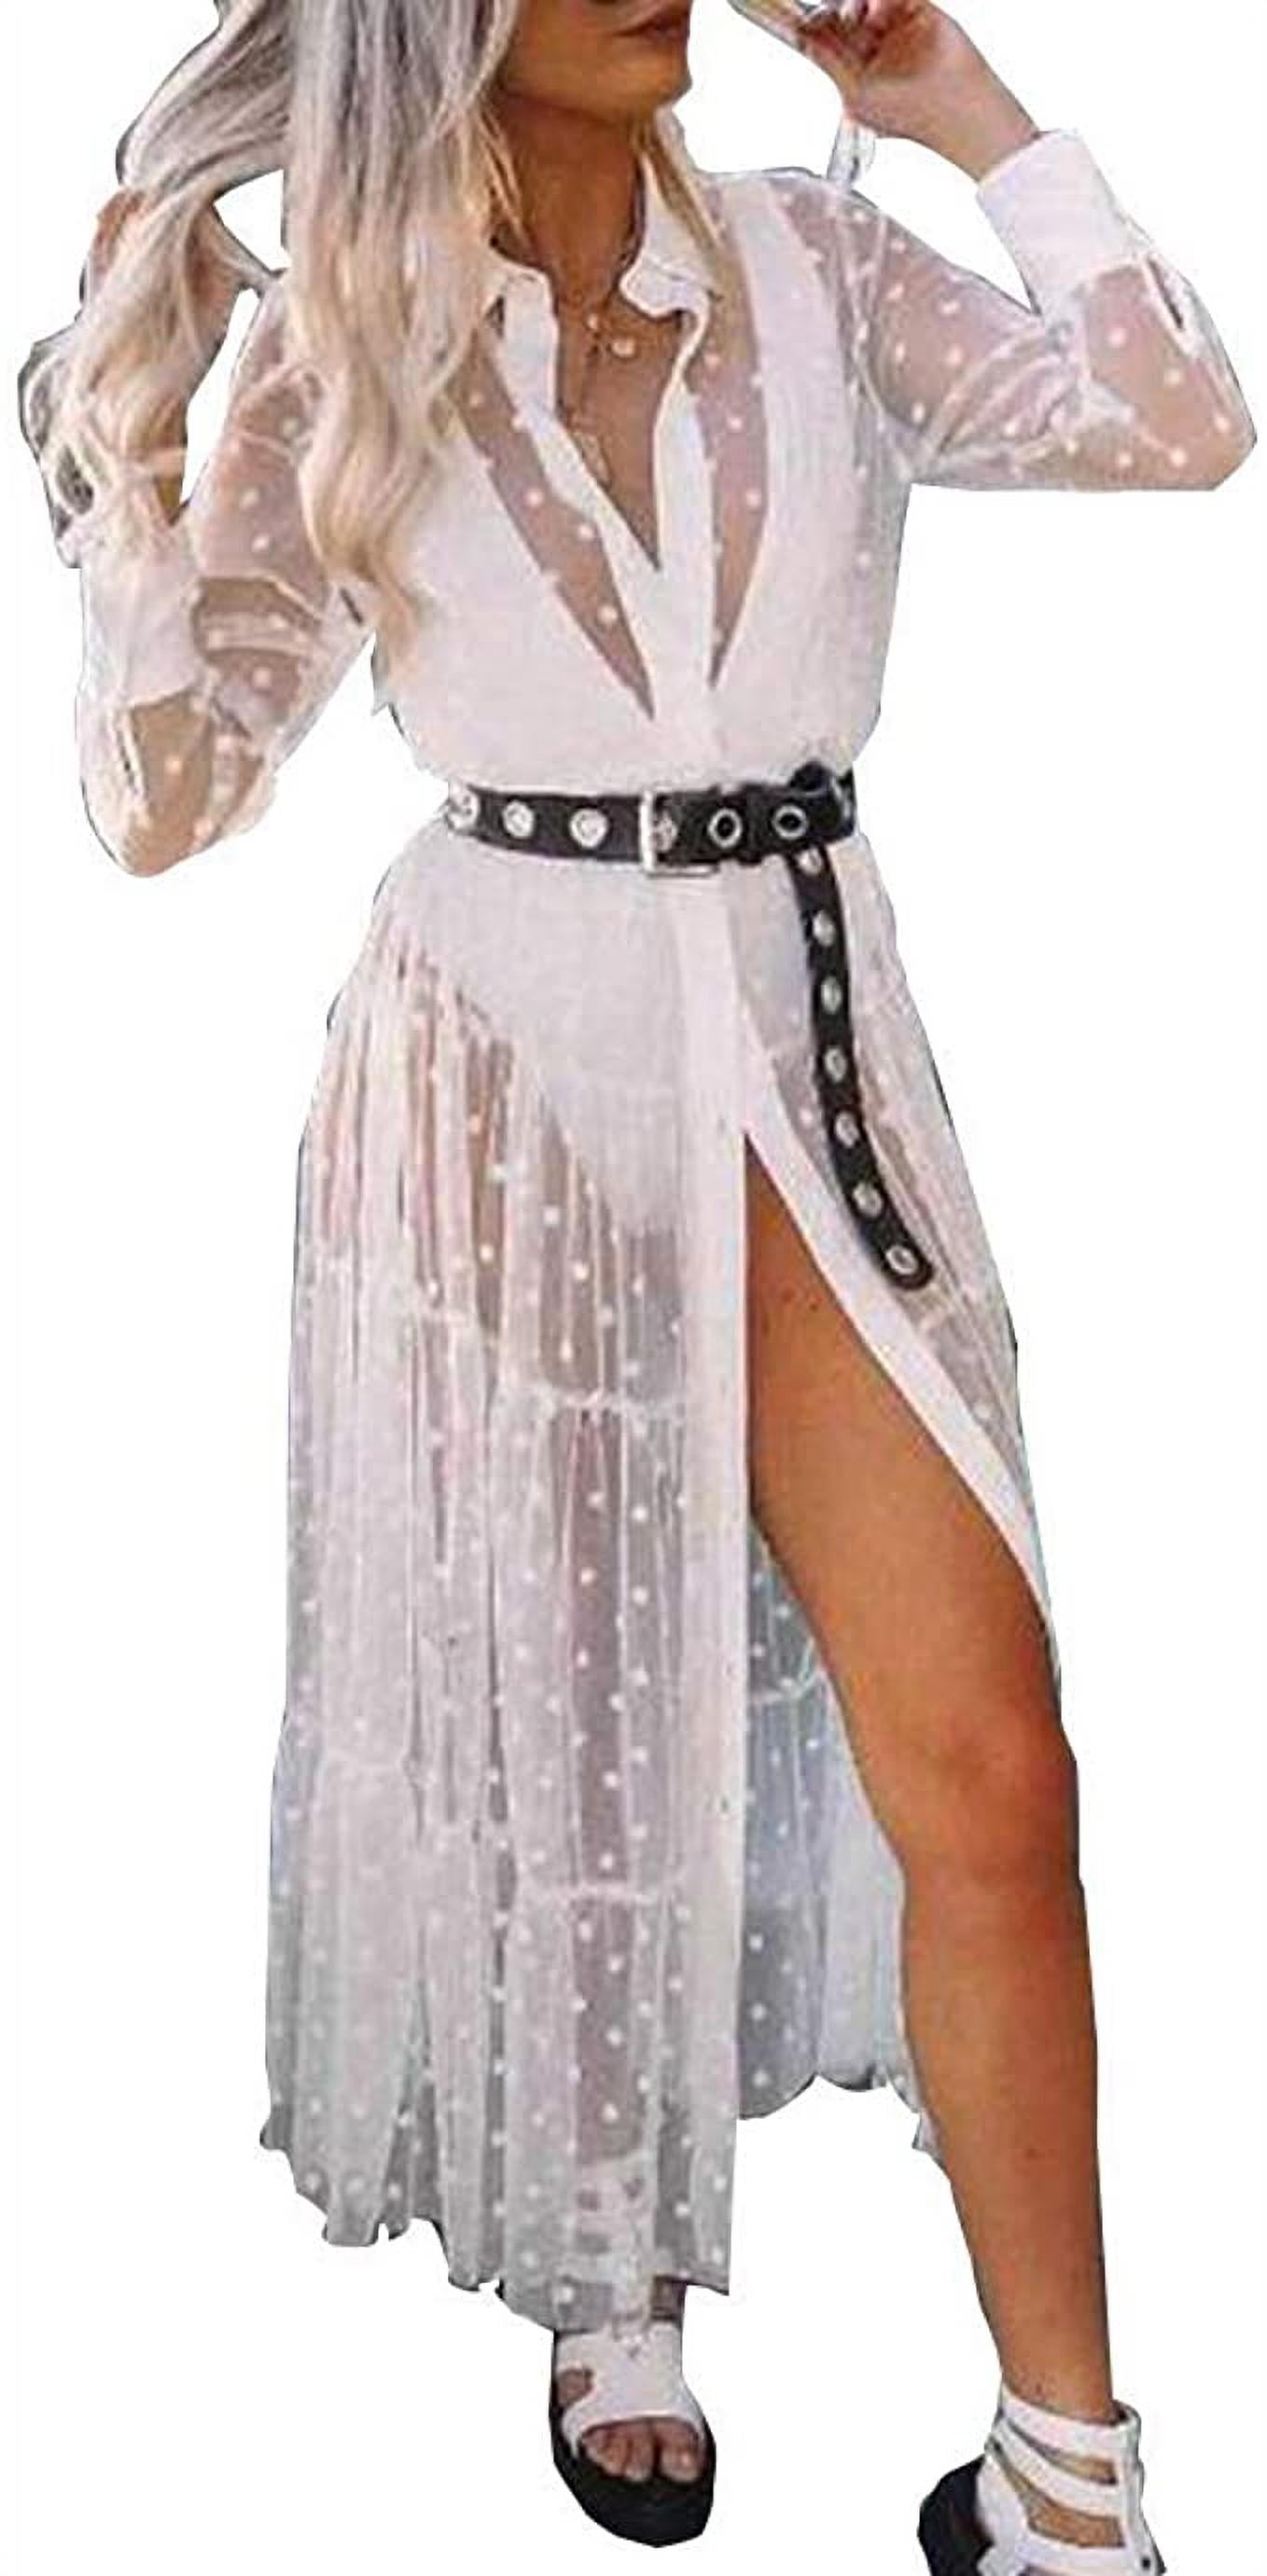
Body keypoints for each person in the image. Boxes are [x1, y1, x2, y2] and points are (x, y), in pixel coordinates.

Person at [18, 0, 1255, 2562]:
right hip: (503, 1058)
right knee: (582, 1726)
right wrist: (127, 439)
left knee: (991, 1765)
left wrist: (958, 109)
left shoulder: (817, 263)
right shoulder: (346, 347)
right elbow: (162, 801)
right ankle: (620, 2286)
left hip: (808, 1045)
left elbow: (1178, 422)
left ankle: (1069, 2478)